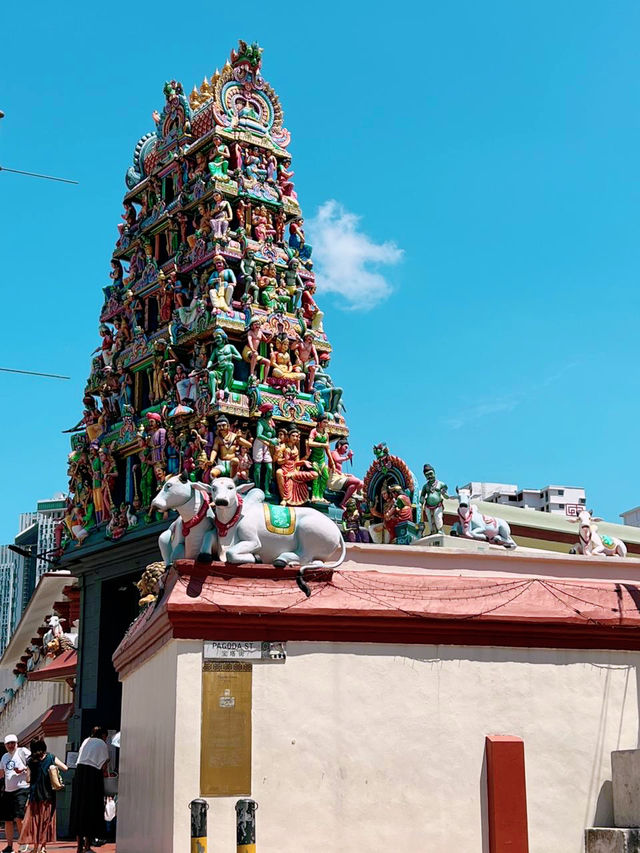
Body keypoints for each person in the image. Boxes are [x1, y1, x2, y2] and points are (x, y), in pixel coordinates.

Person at [19, 738, 67, 853]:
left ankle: (35, 847)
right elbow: (65, 768)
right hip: (48, 795)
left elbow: (28, 779)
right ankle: (43, 847)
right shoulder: (51, 757)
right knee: (46, 821)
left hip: (35, 795)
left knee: (35, 822)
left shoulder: (30, 760)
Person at [69, 727, 109, 853]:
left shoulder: (86, 741)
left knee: (79, 809)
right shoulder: (101, 743)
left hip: (80, 775)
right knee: (92, 809)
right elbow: (104, 764)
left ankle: (79, 846)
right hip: (93, 777)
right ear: (103, 735)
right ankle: (87, 845)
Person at [0, 734, 30, 853]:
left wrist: (23, 769)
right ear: (5, 745)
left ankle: (23, 842)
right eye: (8, 743)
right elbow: (1, 773)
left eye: (13, 743)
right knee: (8, 819)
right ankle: (9, 845)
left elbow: (33, 763)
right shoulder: (4, 757)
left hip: (22, 788)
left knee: (19, 817)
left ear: (17, 743)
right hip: (8, 791)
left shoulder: (23, 752)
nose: (11, 745)